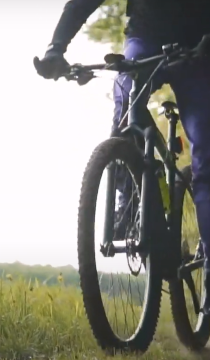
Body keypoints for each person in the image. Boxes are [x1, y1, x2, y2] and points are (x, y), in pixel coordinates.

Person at [33, 0, 210, 314]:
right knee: (126, 101)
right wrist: (55, 48)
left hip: (200, 50)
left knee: (205, 155)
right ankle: (131, 203)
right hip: (146, 38)